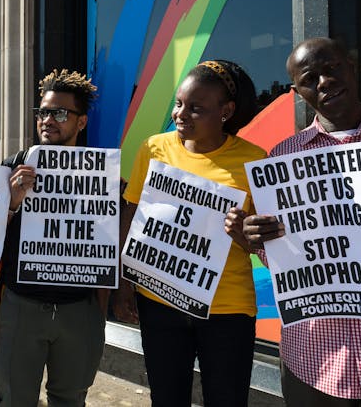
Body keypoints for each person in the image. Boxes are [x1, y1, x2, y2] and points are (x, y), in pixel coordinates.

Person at [242, 37, 361, 406]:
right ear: (297, 91)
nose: (324, 82)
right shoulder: (284, 157)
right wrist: (257, 238)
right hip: (314, 359)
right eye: (309, 78)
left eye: (332, 68)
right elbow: (284, 258)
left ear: (351, 65)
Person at [114, 60, 265, 406]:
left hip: (227, 310)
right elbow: (132, 211)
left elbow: (267, 241)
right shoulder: (153, 148)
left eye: (196, 108)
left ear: (226, 111)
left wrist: (247, 234)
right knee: (166, 399)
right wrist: (124, 285)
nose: (181, 114)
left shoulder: (255, 160)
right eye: (179, 104)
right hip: (159, 303)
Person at [0, 69, 106, 406]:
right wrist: (10, 203)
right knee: (14, 398)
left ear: (81, 122)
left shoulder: (101, 174)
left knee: (70, 399)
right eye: (43, 111)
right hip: (21, 307)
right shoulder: (13, 166)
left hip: (78, 311)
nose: (47, 120)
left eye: (59, 113)